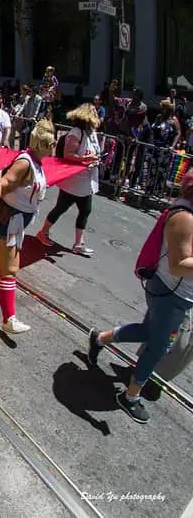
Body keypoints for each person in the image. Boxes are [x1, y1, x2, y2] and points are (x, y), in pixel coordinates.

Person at [88, 173, 193, 423]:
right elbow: (179, 265)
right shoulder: (185, 217)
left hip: (174, 293)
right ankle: (130, 397)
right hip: (171, 293)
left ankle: (100, 338)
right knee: (157, 348)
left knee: (148, 332)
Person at [0, 120, 55, 334]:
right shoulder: (25, 163)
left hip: (15, 221)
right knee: (10, 269)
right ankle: (9, 319)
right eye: (52, 144)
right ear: (43, 145)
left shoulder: (36, 162)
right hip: (10, 221)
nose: (54, 148)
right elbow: (3, 183)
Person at [36, 104, 101, 256]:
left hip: (85, 181)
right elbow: (68, 155)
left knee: (85, 210)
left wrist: (95, 159)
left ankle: (79, 244)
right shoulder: (76, 133)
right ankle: (43, 232)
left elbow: (94, 152)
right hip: (73, 182)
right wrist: (87, 158)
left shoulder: (92, 133)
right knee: (61, 208)